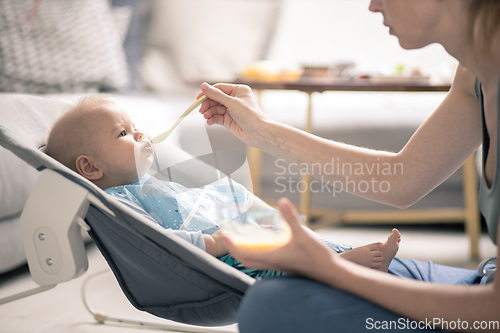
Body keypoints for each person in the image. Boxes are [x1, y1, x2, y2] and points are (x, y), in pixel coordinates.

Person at [197, 0, 499, 331]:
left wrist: (333, 271)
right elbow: (402, 179)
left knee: (273, 308)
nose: (372, 6)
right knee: (321, 263)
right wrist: (263, 131)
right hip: (484, 280)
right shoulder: (474, 72)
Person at [44, 95, 401, 279]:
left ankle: (332, 252)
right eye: (123, 133)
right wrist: (215, 242)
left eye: (135, 127)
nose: (139, 134)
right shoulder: (120, 203)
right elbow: (160, 240)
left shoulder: (142, 183)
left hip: (232, 231)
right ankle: (334, 266)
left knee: (280, 230)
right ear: (90, 167)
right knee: (272, 261)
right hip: (220, 254)